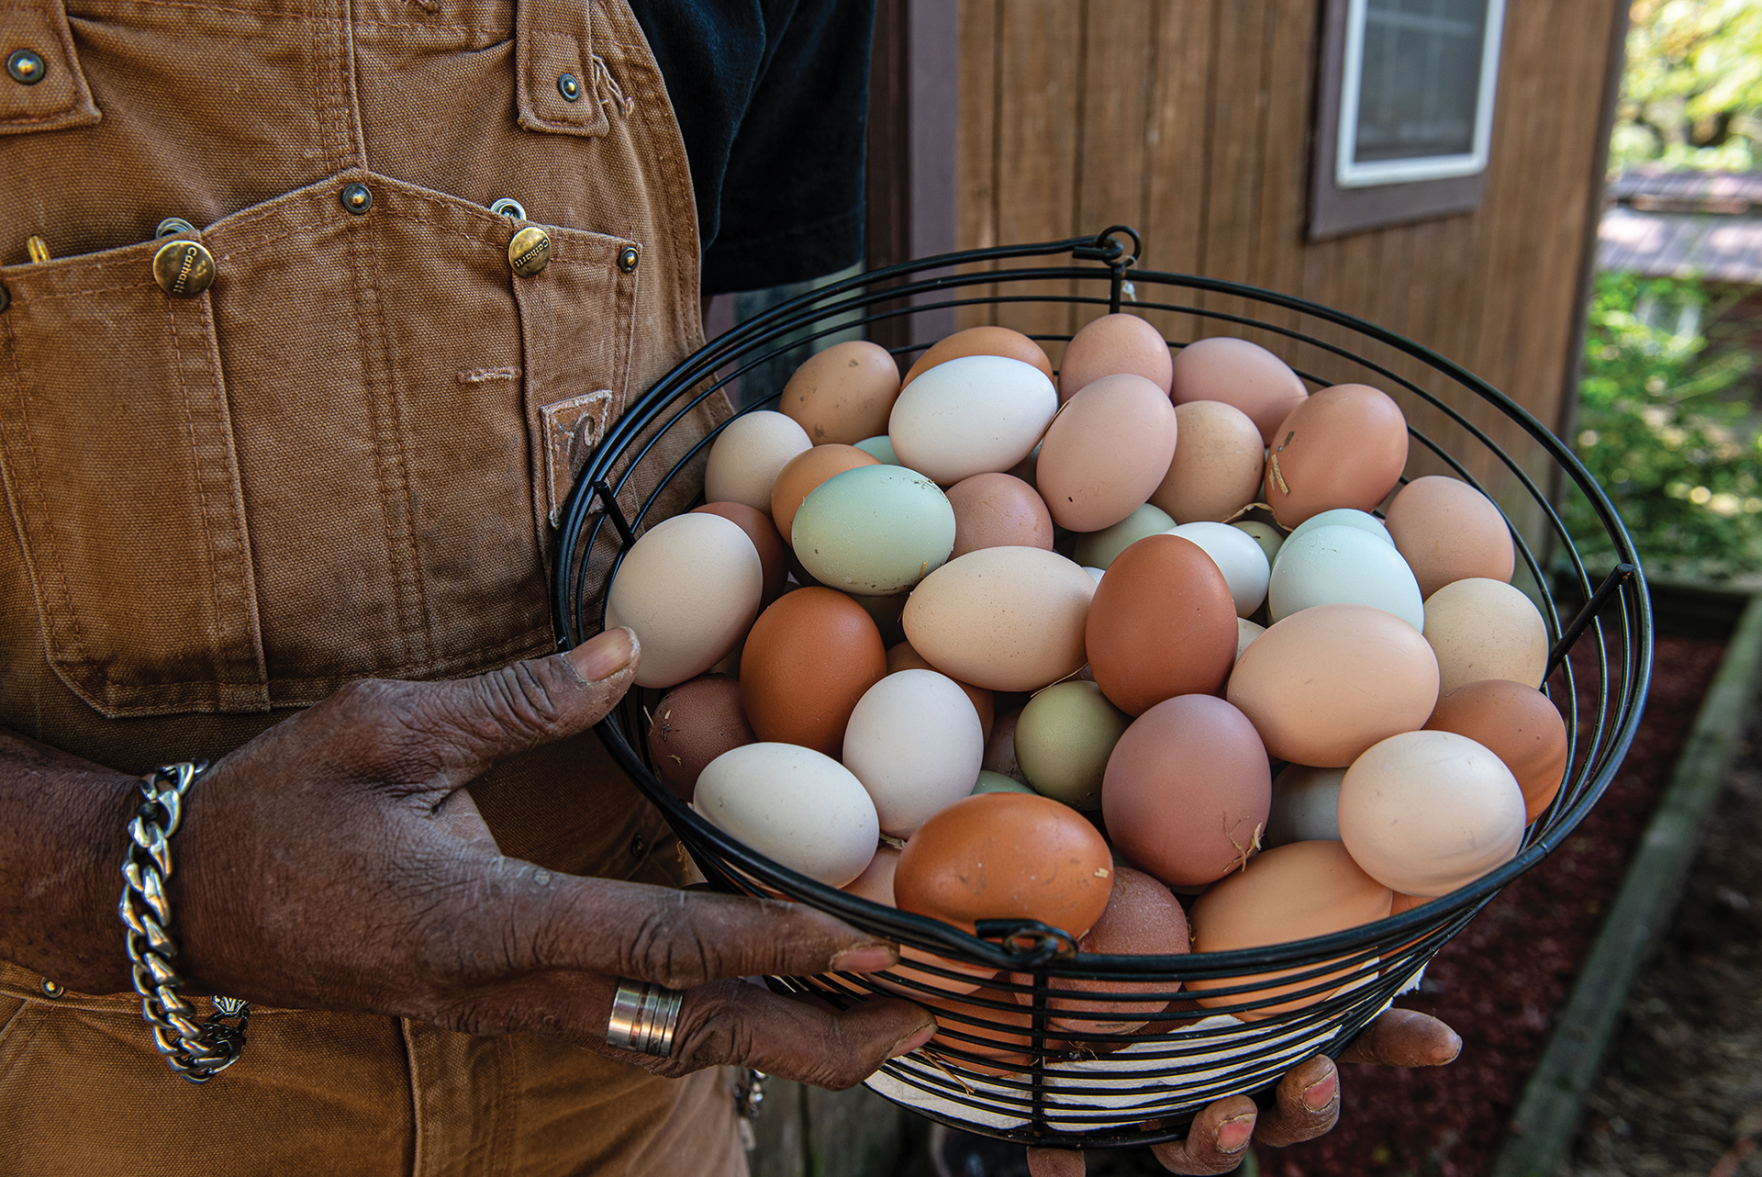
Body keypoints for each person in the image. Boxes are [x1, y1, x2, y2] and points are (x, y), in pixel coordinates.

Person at [0, 1, 1456, 1173]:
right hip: (95, 1095)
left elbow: (760, 465)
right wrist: (159, 874)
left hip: (638, 1078)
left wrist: (1187, 983)